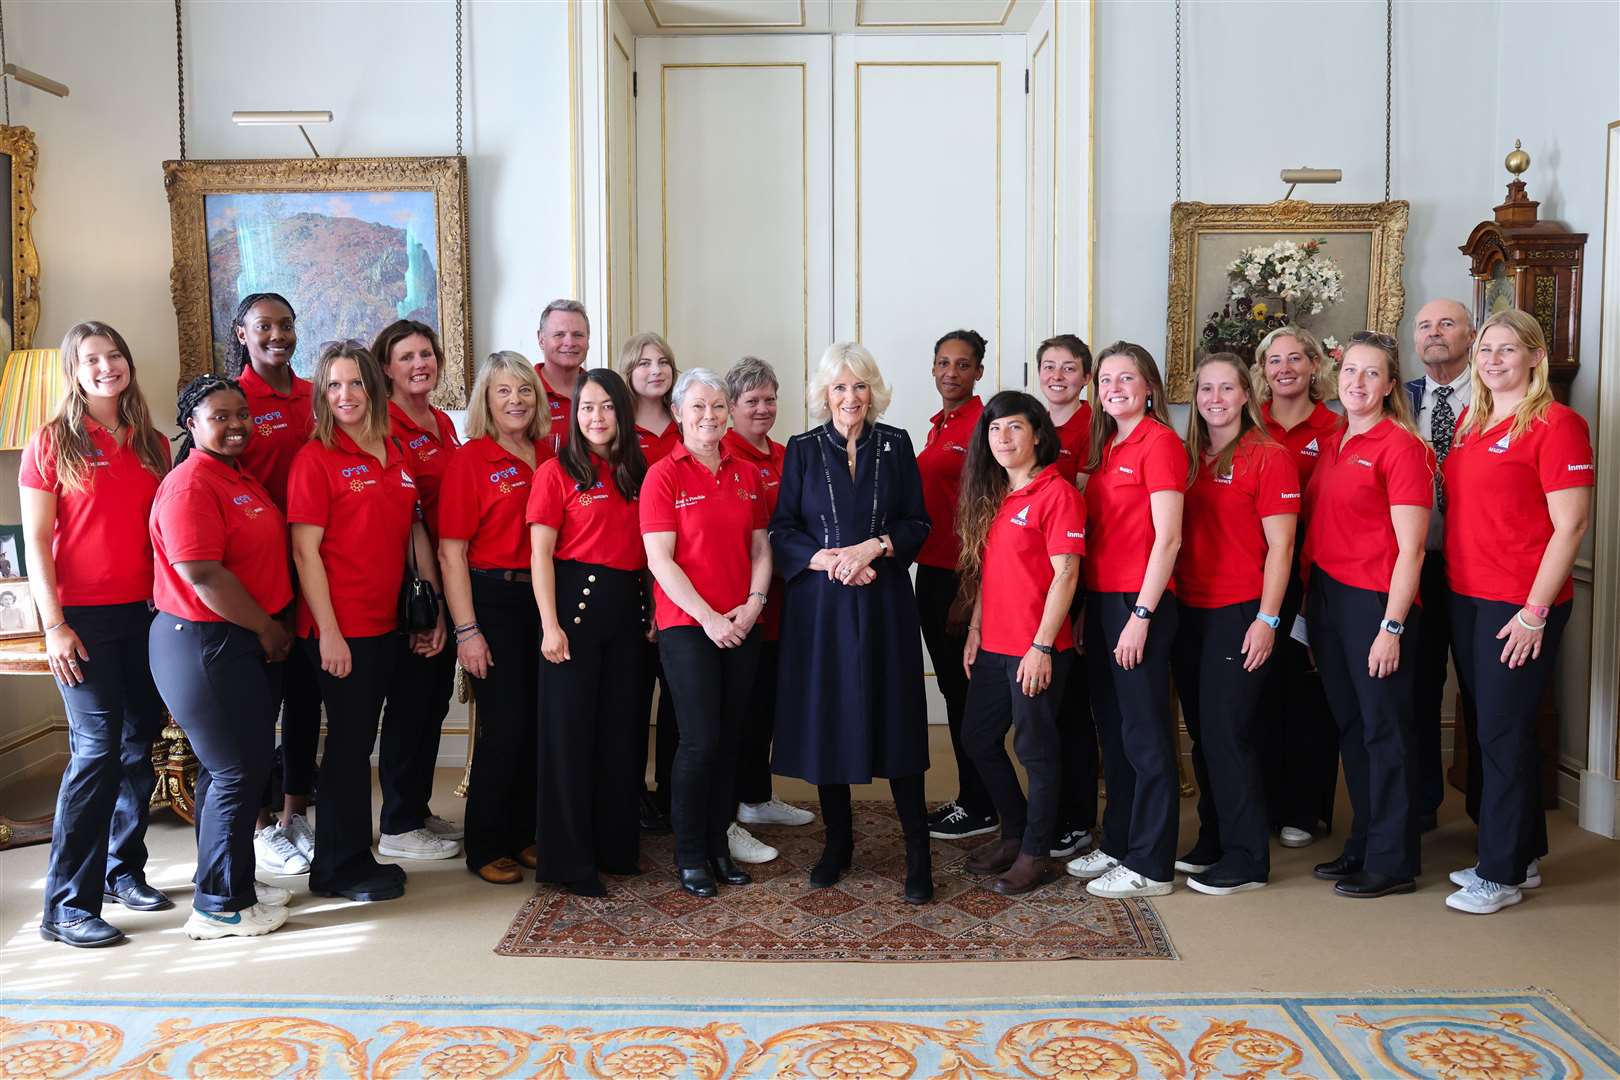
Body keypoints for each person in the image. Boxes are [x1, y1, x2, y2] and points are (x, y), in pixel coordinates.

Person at [22, 322, 172, 947]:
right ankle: (65, 905)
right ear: (74, 371)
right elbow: (35, 541)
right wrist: (53, 626)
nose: (106, 366)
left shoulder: (156, 444)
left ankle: (122, 870)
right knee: (96, 753)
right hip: (81, 622)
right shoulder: (53, 442)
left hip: (147, 615)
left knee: (139, 747)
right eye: (92, 359)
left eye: (115, 355)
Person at [770, 344, 934, 904]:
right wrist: (833, 562)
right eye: (839, 387)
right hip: (822, 607)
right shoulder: (802, 449)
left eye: (859, 386)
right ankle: (837, 846)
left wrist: (871, 548)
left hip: (885, 601)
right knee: (830, 718)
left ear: (873, 392)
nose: (850, 397)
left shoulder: (898, 444)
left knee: (897, 718)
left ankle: (919, 854)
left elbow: (918, 521)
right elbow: (784, 530)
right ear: (824, 395)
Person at [1441, 310, 1593, 914]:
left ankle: (1498, 873)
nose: (1494, 360)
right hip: (1468, 595)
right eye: (1486, 350)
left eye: (1508, 350)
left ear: (1535, 357)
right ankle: (1522, 852)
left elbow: (1572, 524)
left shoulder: (1558, 425)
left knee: (1502, 731)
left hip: (1520, 603)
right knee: (1492, 727)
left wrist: (1534, 611)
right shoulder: (1473, 425)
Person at [287, 341, 445, 902]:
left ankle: (358, 855)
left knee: (364, 748)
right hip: (342, 627)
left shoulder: (395, 451)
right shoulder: (315, 459)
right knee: (350, 748)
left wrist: (433, 609)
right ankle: (336, 869)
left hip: (389, 623)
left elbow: (412, 532)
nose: (346, 395)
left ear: (374, 389)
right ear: (321, 395)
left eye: (355, 383)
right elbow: (305, 553)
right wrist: (328, 632)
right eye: (333, 385)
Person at [148, 375, 295, 939]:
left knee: (231, 770)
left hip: (237, 641)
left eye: (243, 414)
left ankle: (233, 880)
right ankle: (218, 906)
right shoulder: (189, 486)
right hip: (204, 642)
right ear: (192, 424)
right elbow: (201, 573)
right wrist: (266, 628)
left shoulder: (236, 475)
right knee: (235, 771)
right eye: (219, 416)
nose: (236, 424)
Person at [1301, 331, 1432, 899]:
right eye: (1350, 371)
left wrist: (1392, 627)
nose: (1356, 382)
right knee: (1352, 729)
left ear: (1389, 384)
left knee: (1385, 731)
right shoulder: (1333, 441)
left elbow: (1413, 549)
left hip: (1377, 602)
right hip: (1330, 598)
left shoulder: (1401, 447)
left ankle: (1394, 859)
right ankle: (1363, 842)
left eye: (1371, 373)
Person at [1171, 353, 1299, 896]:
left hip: (1241, 611)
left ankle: (1248, 858)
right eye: (1205, 389)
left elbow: (1282, 547)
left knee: (1229, 735)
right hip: (1189, 611)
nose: (1215, 399)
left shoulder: (1269, 457)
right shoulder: (1188, 455)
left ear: (1248, 394)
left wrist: (1268, 619)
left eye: (1226, 389)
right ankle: (1214, 838)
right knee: (1202, 735)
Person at [641, 368, 772, 897]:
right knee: (699, 741)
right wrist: (709, 618)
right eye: (697, 407)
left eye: (718, 406)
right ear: (677, 414)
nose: (709, 416)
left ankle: (719, 845)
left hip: (742, 624)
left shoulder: (746, 471)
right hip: (688, 628)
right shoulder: (663, 475)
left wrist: (753, 605)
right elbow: (660, 560)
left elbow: (761, 548)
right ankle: (690, 852)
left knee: (732, 738)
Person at [1064, 341, 1186, 900]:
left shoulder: (1160, 444)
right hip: (1106, 602)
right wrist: (1095, 610)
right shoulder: (1110, 446)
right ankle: (1119, 841)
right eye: (1105, 379)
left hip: (1143, 605)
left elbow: (1168, 539)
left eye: (1126, 378)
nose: (1114, 387)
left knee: (1145, 735)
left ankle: (1153, 863)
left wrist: (1141, 614)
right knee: (1113, 732)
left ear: (1149, 386)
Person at [956, 391, 1085, 895]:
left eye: (1013, 427)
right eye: (994, 429)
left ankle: (1036, 853)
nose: (1002, 438)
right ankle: (1013, 834)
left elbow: (1066, 574)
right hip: (995, 647)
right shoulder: (999, 494)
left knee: (1035, 750)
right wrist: (976, 628)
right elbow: (994, 572)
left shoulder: (1057, 493)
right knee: (977, 739)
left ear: (1037, 434)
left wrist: (1042, 647)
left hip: (1037, 649)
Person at [530, 368, 649, 895]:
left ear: (622, 412)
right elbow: (539, 555)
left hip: (628, 610)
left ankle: (616, 849)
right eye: (585, 408)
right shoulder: (556, 472)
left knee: (622, 736)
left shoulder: (637, 471)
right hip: (573, 612)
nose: (595, 417)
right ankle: (568, 862)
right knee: (570, 740)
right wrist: (549, 625)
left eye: (605, 407)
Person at [439, 352, 555, 884]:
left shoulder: (551, 454)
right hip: (495, 601)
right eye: (503, 391)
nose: (516, 401)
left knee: (540, 724)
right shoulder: (470, 461)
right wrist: (468, 630)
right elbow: (450, 553)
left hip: (546, 601)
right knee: (503, 727)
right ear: (485, 400)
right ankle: (486, 842)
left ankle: (528, 831)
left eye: (525, 391)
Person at [227, 293, 319, 877]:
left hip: (311, 565)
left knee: (307, 697)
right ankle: (260, 823)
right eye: (264, 326)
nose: (277, 335)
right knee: (258, 703)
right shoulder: (232, 402)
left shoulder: (316, 396)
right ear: (242, 334)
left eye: (285, 325)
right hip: (254, 572)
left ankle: (294, 812)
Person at [372, 320, 463, 863]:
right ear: (386, 367)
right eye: (406, 357)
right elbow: (405, 516)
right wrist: (426, 595)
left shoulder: (444, 423)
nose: (418, 364)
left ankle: (417, 808)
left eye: (426, 354)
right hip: (412, 582)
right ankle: (398, 823)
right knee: (409, 702)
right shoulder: (385, 425)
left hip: (446, 572)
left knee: (432, 702)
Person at [1252, 326, 1343, 849]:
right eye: (1273, 360)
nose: (1284, 368)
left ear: (1314, 365)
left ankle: (1304, 809)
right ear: (1262, 370)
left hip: (1312, 572)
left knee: (1307, 691)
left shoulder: (1334, 426)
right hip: (1256, 573)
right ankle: (1263, 799)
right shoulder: (1250, 425)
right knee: (1260, 688)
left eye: (1295, 358)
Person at [722, 356, 812, 853]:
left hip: (786, 604)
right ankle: (733, 804)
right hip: (741, 605)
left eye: (769, 399)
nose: (762, 408)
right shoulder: (724, 455)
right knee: (741, 707)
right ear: (731, 407)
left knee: (768, 707)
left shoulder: (786, 455)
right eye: (751, 401)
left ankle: (757, 796)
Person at [913, 330, 994, 842]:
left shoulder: (985, 424)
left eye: (962, 365)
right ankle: (972, 796)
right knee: (952, 687)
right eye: (943, 363)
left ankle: (981, 803)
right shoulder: (940, 425)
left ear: (978, 373)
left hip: (965, 575)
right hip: (933, 570)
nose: (950, 373)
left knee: (966, 691)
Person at [1407, 299, 1481, 831]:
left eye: (1447, 324)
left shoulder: (1495, 397)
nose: (1435, 334)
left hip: (1481, 566)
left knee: (1481, 692)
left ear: (1471, 334)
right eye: (1425, 325)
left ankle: (1486, 814)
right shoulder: (1400, 399)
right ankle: (1419, 805)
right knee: (1415, 686)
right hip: (1414, 565)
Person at [1035, 333, 1096, 857]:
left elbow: (1081, 498)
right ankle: (1045, 813)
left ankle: (1077, 818)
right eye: (1049, 367)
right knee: (1041, 712)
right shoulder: (1029, 423)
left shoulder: (1093, 426)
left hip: (1074, 574)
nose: (1058, 376)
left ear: (1085, 376)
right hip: (1027, 578)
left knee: (1071, 706)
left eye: (1069, 368)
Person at [618, 331, 680, 835]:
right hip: (632, 572)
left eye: (663, 362)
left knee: (680, 692)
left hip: (684, 577)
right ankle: (630, 791)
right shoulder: (615, 430)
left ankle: (674, 790)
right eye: (644, 363)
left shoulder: (690, 423)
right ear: (628, 372)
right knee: (633, 694)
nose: (655, 370)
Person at [535, 299, 591, 451]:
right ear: (541, 339)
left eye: (578, 335)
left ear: (588, 340)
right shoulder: (522, 392)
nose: (569, 342)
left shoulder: (603, 390)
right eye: (559, 334)